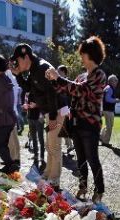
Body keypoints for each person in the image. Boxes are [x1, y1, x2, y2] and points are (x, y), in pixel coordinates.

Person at [46, 36, 108, 203]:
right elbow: (68, 90)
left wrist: (58, 78)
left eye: (83, 55)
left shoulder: (100, 75)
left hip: (90, 124)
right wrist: (53, 81)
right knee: (80, 158)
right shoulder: (81, 76)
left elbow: (81, 90)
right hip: (76, 123)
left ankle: (99, 189)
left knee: (92, 158)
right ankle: (83, 186)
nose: (81, 58)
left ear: (90, 55)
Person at [11, 43, 63, 188]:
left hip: (57, 110)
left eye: (17, 60)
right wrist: (18, 75)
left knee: (54, 146)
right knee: (49, 145)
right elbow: (29, 88)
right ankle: (47, 174)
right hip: (50, 111)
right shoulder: (34, 69)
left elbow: (52, 93)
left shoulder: (41, 67)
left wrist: (52, 117)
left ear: (26, 57)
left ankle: (54, 181)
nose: (16, 63)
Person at [24, 91, 46, 170]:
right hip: (30, 117)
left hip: (39, 118)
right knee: (33, 138)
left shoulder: (40, 90)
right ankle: (36, 156)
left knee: (41, 138)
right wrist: (25, 106)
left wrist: (36, 105)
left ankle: (42, 158)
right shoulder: (27, 93)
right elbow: (26, 103)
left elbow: (45, 104)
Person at [57, 65, 75, 158]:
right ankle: (69, 145)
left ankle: (70, 145)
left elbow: (70, 96)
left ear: (64, 72)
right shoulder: (57, 82)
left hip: (66, 109)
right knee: (62, 128)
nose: (57, 72)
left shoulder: (67, 82)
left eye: (58, 71)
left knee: (66, 128)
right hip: (59, 108)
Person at [100, 75, 119, 146]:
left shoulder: (106, 88)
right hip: (109, 110)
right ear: (111, 81)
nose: (117, 82)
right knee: (110, 126)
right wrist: (116, 100)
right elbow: (107, 99)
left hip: (105, 109)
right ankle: (105, 142)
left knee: (107, 125)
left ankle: (101, 137)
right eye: (116, 80)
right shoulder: (110, 88)